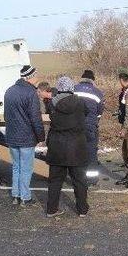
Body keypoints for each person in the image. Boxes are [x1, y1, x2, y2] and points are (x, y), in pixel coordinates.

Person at [45, 76, 89, 217]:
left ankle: (51, 209)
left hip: (57, 145)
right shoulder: (80, 102)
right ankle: (82, 210)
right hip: (76, 146)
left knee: (55, 180)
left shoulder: (51, 103)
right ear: (71, 88)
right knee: (79, 180)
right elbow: (87, 113)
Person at [4, 65, 45, 206]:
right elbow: (35, 118)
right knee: (26, 168)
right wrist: (41, 137)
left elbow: (6, 116)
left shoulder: (9, 91)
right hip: (26, 137)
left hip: (12, 136)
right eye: (36, 75)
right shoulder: (31, 93)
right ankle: (25, 197)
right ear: (31, 77)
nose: (38, 77)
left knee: (16, 167)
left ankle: (16, 195)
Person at [74, 69, 105, 185]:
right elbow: (100, 110)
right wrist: (95, 120)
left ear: (82, 79)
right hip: (90, 126)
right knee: (91, 152)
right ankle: (92, 179)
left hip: (75, 125)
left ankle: (78, 178)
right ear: (92, 80)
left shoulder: (74, 89)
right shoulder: (97, 92)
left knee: (76, 151)